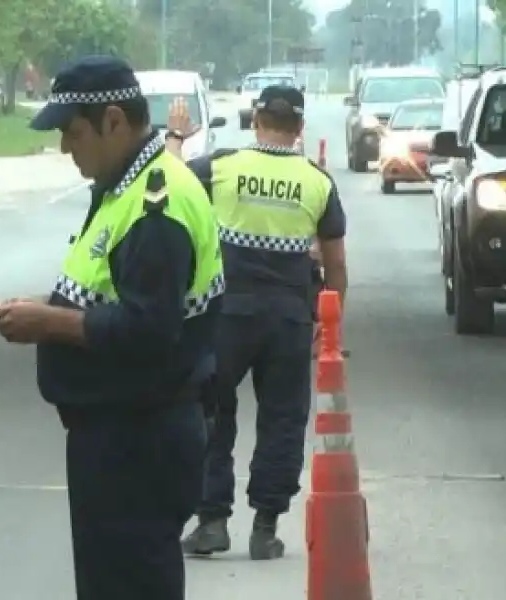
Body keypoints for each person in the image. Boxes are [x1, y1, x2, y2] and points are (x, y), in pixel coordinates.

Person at [0, 55, 225, 600]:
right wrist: (48, 308)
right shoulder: (126, 186)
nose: (65, 148)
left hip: (139, 441)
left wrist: (48, 322)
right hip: (121, 435)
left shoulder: (155, 207)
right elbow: (111, 291)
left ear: (113, 121)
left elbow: (150, 328)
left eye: (72, 133)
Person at [164, 86, 348, 559]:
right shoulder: (317, 182)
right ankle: (265, 528)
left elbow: (165, 187)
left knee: (211, 411)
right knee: (283, 419)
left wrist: (175, 137)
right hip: (287, 319)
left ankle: (211, 522)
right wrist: (329, 320)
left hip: (225, 315)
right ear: (300, 129)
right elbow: (336, 266)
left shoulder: (221, 168)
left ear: (255, 120)